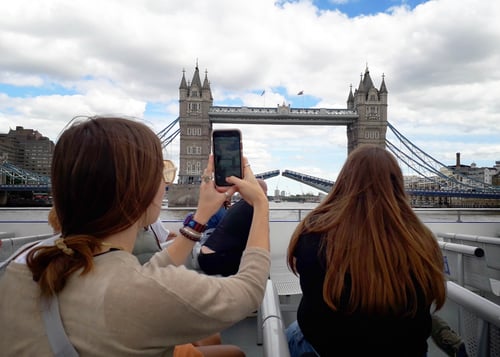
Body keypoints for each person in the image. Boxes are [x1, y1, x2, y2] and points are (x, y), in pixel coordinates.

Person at [0, 116, 270, 357]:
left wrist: (199, 219)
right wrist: (259, 205)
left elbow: (143, 277)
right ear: (139, 193)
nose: (165, 184)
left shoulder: (23, 263)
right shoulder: (142, 292)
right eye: (162, 174)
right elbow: (249, 291)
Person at [285, 144, 447, 357]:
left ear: (344, 181)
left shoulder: (314, 231)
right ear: (397, 183)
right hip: (408, 351)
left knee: (290, 332)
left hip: (328, 349)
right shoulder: (423, 239)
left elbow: (304, 275)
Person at [189, 179, 268, 276]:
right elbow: (258, 242)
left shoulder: (237, 206)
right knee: (257, 265)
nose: (265, 198)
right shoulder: (252, 209)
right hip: (215, 261)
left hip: (205, 256)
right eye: (265, 194)